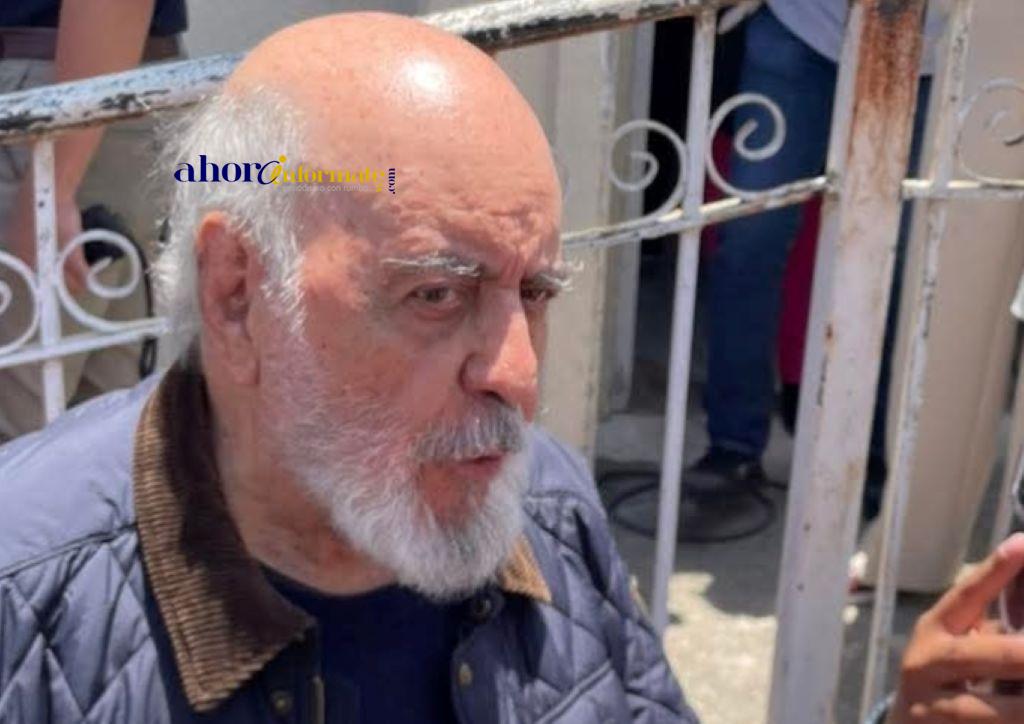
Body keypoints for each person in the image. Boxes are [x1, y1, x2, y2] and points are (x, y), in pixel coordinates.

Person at [0, 12, 1019, 724]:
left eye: (534, 292)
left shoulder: (547, 504)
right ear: (237, 293)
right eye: (437, 295)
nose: (519, 378)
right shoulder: (25, 606)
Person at [683, 0, 941, 508]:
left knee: (893, 265)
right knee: (749, 240)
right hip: (800, 25)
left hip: (926, 50)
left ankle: (867, 459)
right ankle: (733, 447)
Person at [0, 0, 186, 442]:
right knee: (96, 435)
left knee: (20, 436)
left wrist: (55, 182)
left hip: (58, 102)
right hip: (78, 96)